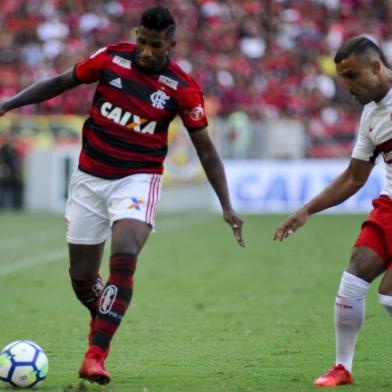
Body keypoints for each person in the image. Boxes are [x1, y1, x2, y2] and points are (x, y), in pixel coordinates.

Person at [0, 6, 245, 385]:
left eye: (156, 46)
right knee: (82, 278)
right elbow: (60, 82)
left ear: (172, 45)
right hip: (88, 178)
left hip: (137, 178)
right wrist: (8, 103)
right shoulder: (111, 58)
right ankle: (106, 314)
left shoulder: (182, 89)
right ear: (136, 34)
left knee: (125, 251)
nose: (146, 52)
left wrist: (227, 205)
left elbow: (207, 150)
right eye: (143, 42)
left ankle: (95, 355)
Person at [274, 36, 392, 387]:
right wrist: (307, 210)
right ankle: (342, 367)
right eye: (343, 79)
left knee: (388, 296)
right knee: (353, 277)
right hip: (389, 206)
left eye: (352, 76)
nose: (347, 87)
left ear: (375, 66)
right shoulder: (372, 116)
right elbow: (355, 177)